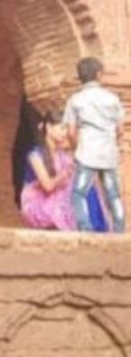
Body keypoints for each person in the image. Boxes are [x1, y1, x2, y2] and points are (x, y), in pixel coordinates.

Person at [65, 57, 126, 233]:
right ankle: (120, 230)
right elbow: (120, 129)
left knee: (79, 194)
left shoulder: (75, 100)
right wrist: (112, 144)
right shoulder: (112, 99)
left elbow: (70, 131)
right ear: (99, 74)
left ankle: (86, 228)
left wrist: (76, 149)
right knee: (113, 195)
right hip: (108, 153)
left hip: (87, 153)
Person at [20, 112, 107, 231]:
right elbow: (48, 186)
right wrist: (66, 173)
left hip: (56, 199)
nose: (65, 133)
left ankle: (93, 228)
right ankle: (87, 228)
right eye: (62, 128)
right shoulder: (35, 155)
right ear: (49, 127)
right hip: (38, 202)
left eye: (66, 129)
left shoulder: (63, 155)